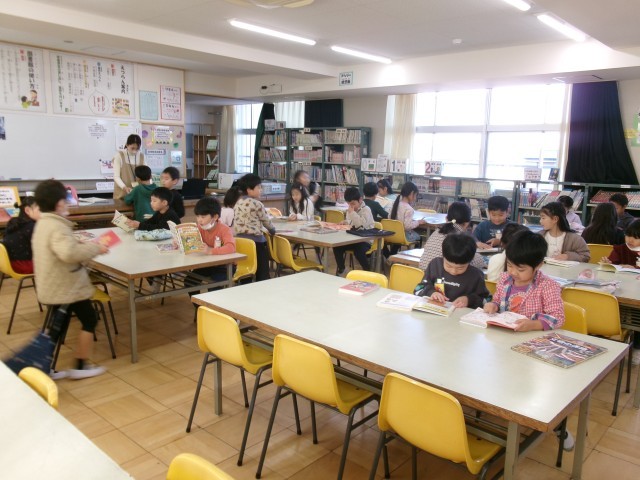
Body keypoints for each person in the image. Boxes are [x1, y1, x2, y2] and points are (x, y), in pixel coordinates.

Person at [32, 179, 109, 379]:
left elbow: (62, 250)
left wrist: (80, 245)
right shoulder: (57, 226)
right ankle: (80, 365)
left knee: (58, 326)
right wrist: (96, 248)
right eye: (65, 200)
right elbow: (68, 253)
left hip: (55, 284)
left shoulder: (44, 223)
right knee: (88, 319)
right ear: (59, 203)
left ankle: (45, 367)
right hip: (67, 286)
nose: (67, 203)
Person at [484, 230, 565, 331]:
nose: (513, 272)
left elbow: (558, 317)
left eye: (520, 269)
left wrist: (534, 325)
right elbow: (497, 300)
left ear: (538, 265)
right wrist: (494, 305)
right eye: (509, 265)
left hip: (532, 337)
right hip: (506, 333)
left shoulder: (548, 286)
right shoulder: (505, 279)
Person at [416, 233, 489, 309]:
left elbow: (486, 300)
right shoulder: (435, 265)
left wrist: (469, 300)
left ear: (470, 261)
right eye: (449, 266)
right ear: (443, 256)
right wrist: (431, 293)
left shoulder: (476, 275)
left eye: (460, 268)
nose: (454, 271)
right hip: (434, 311)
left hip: (460, 314)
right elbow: (419, 289)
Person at [233, 174, 275, 282]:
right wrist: (272, 230)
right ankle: (262, 283)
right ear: (249, 190)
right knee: (262, 268)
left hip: (240, 241)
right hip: (256, 241)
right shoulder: (257, 203)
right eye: (259, 187)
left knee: (246, 265)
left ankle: (245, 284)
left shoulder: (238, 202)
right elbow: (265, 220)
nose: (261, 190)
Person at [419, 202, 484, 270]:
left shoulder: (437, 232)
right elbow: (472, 261)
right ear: (467, 223)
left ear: (446, 218)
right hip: (441, 275)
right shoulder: (459, 238)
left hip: (423, 273)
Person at [190, 197, 236, 283]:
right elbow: (194, 242)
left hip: (224, 266)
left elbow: (231, 248)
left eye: (203, 217)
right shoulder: (200, 227)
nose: (199, 220)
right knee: (190, 280)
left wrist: (210, 251)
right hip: (209, 263)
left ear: (215, 217)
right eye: (197, 216)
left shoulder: (224, 229)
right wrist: (180, 242)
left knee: (214, 284)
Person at [333, 187, 374, 275]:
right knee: (337, 246)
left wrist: (352, 213)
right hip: (352, 239)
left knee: (358, 251)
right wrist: (346, 222)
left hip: (366, 240)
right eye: (349, 204)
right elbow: (351, 222)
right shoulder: (351, 210)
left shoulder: (366, 209)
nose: (351, 206)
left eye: (353, 204)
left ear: (360, 200)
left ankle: (368, 272)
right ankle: (342, 269)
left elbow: (360, 224)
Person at [2, 196, 40, 274]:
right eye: (40, 210)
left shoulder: (14, 222)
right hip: (23, 265)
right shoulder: (31, 226)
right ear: (27, 210)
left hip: (8, 263)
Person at [389, 182, 427, 253]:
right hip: (403, 235)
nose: (415, 198)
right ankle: (413, 256)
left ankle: (392, 254)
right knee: (419, 238)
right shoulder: (409, 209)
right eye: (416, 195)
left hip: (393, 233)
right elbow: (407, 226)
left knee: (398, 240)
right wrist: (418, 222)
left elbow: (389, 218)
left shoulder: (395, 204)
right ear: (411, 193)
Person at [113, 134, 145, 199]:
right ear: (127, 145)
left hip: (137, 192)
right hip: (122, 192)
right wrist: (124, 187)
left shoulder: (142, 156)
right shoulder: (119, 155)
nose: (135, 151)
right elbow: (116, 176)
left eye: (137, 148)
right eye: (132, 148)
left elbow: (146, 174)